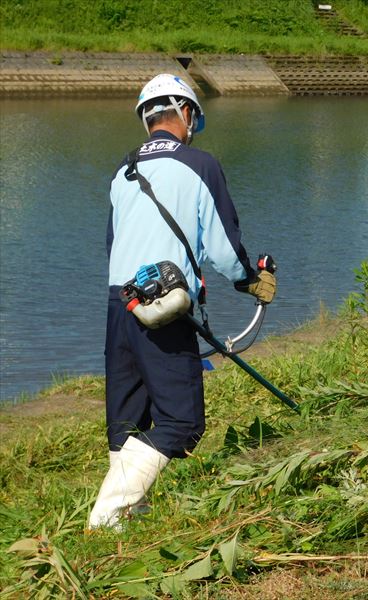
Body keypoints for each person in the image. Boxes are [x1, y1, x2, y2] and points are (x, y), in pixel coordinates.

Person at [89, 74, 276, 529]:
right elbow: (225, 249)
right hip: (164, 306)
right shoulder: (200, 163)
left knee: (128, 419)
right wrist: (252, 280)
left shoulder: (123, 168)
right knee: (182, 421)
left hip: (121, 303)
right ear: (186, 112)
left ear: (146, 117)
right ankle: (106, 515)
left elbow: (112, 243)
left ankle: (125, 521)